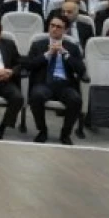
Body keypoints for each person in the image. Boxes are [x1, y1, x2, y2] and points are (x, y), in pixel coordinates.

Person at [25, 15, 86, 145]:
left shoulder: (72, 47)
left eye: (58, 27)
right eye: (52, 26)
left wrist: (66, 54)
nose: (54, 29)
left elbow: (81, 69)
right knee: (36, 96)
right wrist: (47, 55)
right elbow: (29, 65)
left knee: (75, 99)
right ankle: (42, 130)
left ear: (65, 30)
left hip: (65, 84)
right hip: (44, 83)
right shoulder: (38, 45)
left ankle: (65, 134)